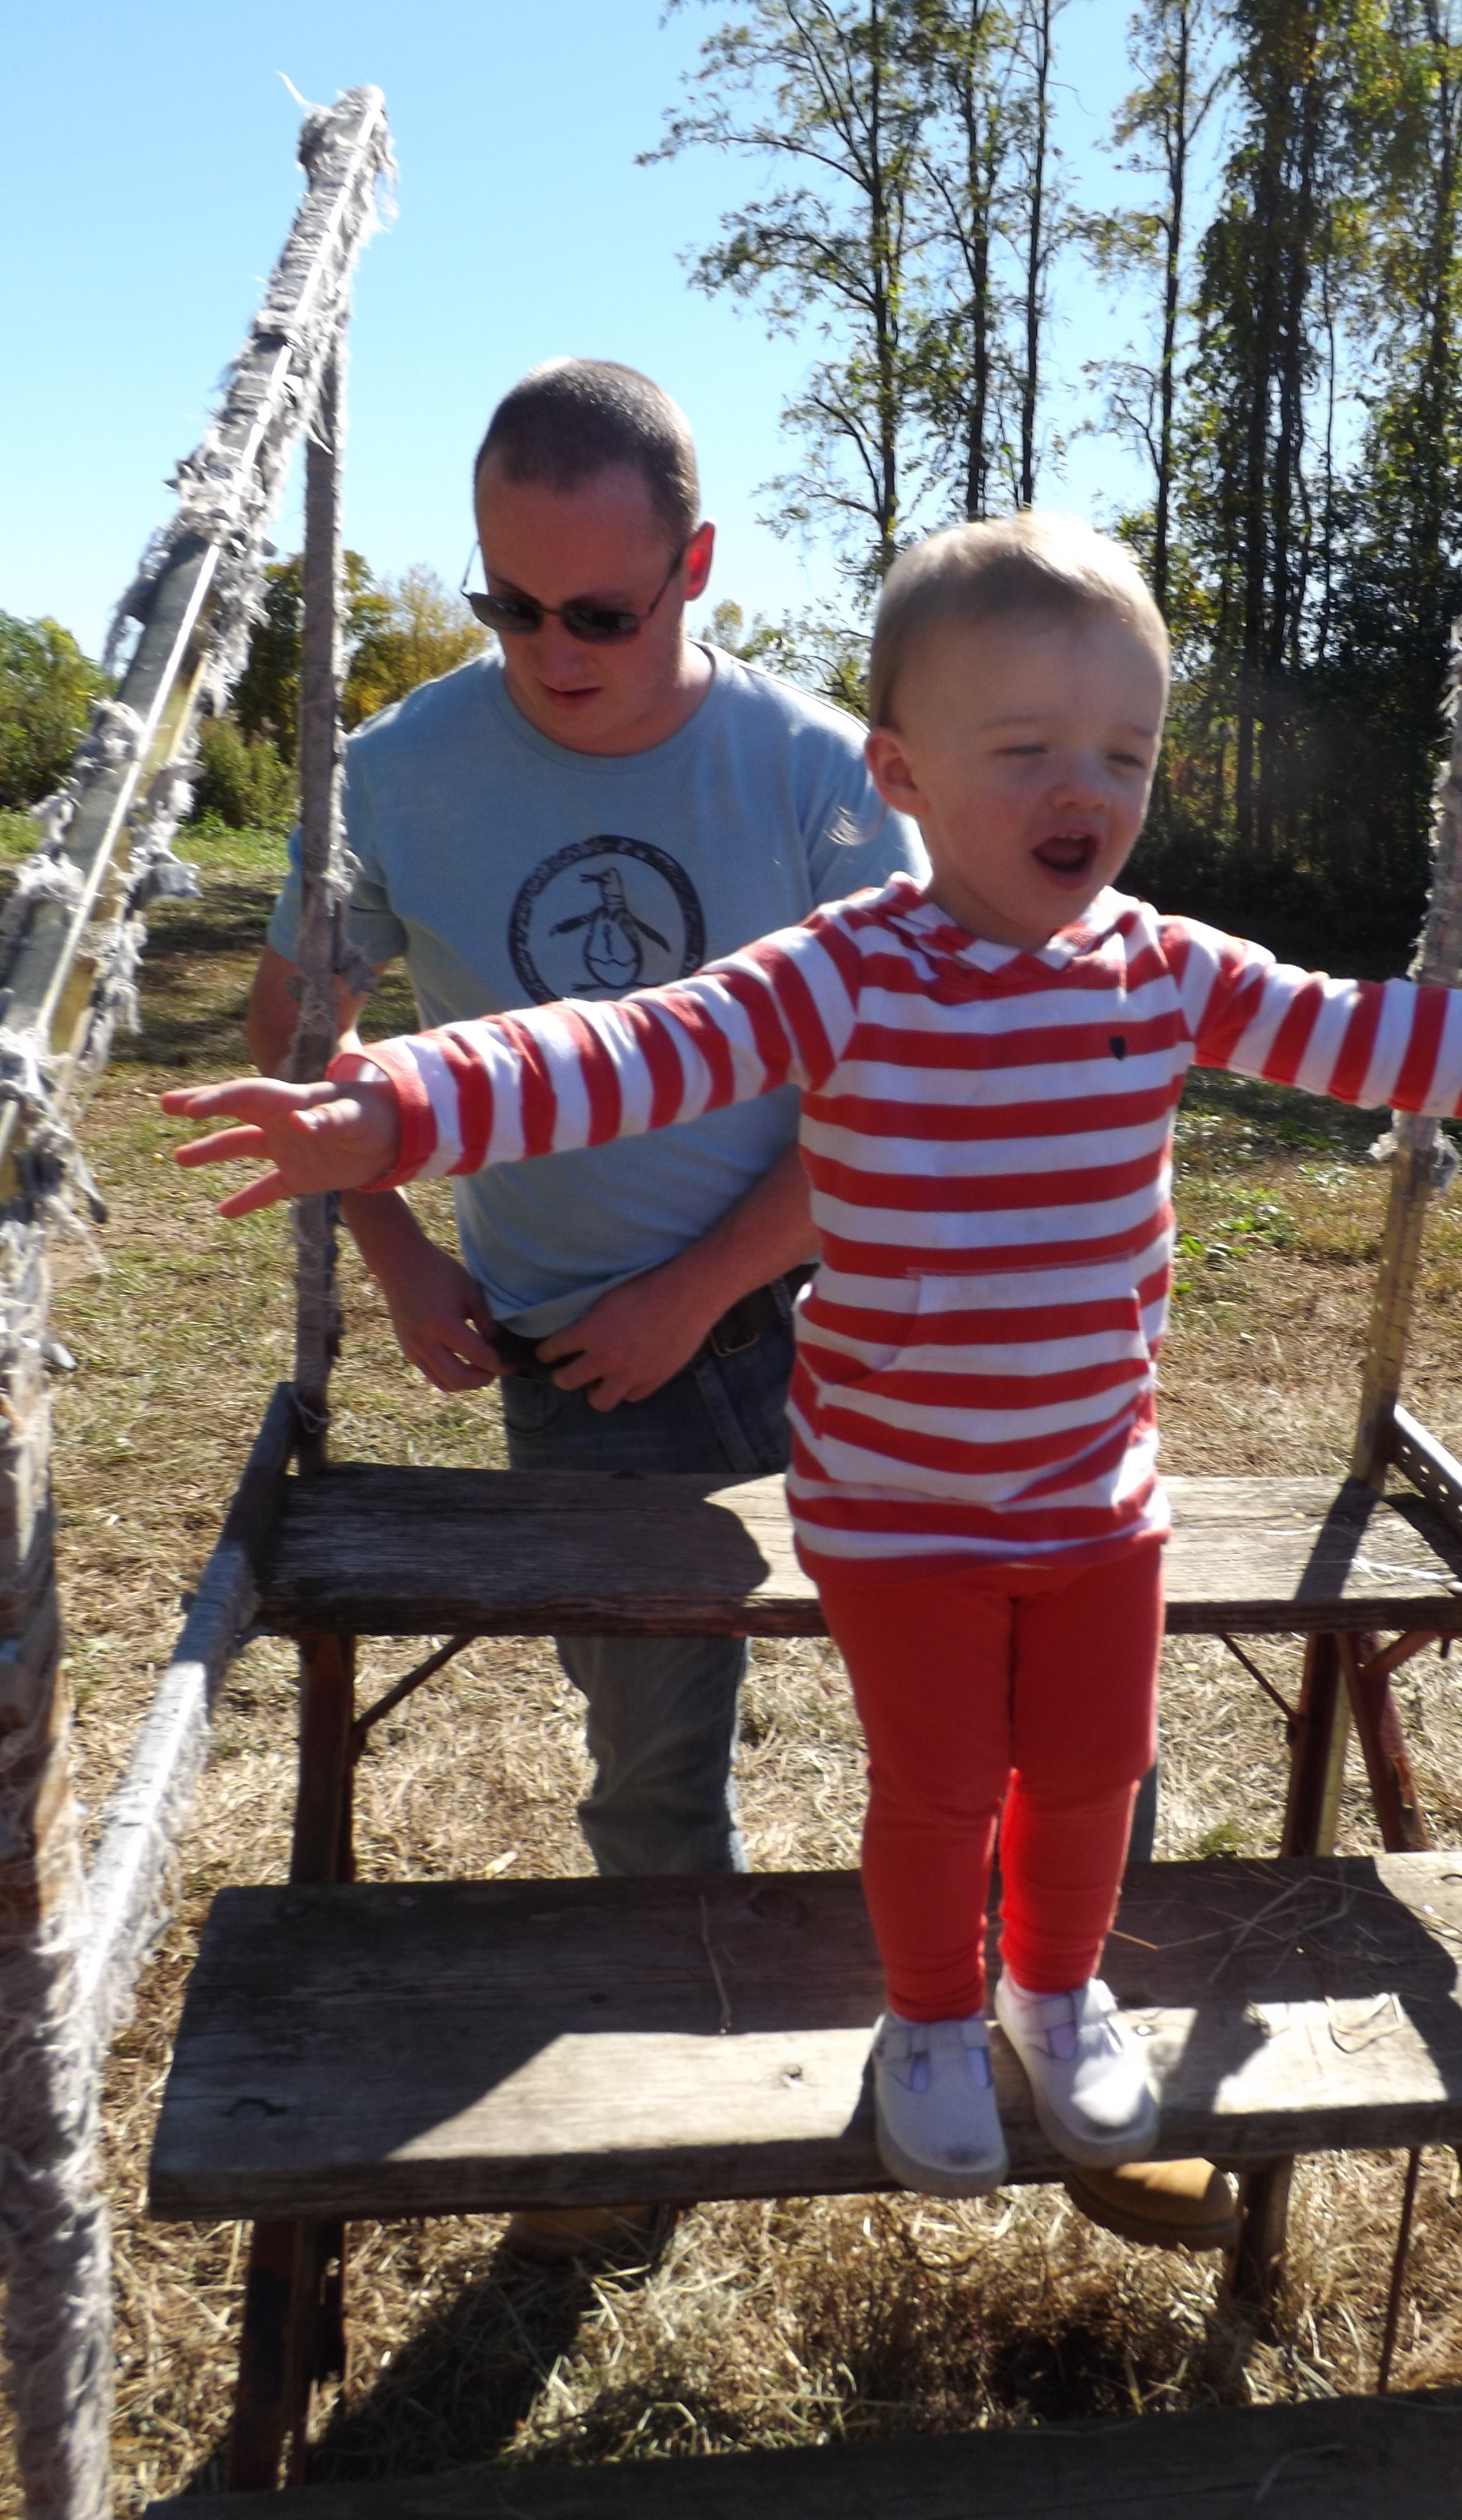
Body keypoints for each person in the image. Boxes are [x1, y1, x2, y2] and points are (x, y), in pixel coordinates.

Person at [178, 512, 1462, 2197]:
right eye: (1023, 751)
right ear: (903, 776)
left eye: (1122, 752)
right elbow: (631, 1047)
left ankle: (1057, 1990)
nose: (1082, 786)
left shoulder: (1164, 973)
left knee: (1092, 1773)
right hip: (895, 1503)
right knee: (940, 1788)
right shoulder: (847, 975)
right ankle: (928, 2017)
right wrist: (401, 1106)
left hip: (1095, 1489)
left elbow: (1368, 1027)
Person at [247, 357, 925, 2253]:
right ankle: (655, 2127)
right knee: (648, 1763)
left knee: (970, 1710)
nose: (552, 648)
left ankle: (1033, 2041)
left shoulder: (810, 769)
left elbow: (897, 1081)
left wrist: (703, 1286)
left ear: (696, 565)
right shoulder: (394, 765)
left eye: (602, 611)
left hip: (839, 1330)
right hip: (575, 1364)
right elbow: (307, 1036)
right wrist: (400, 1254)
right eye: (508, 602)